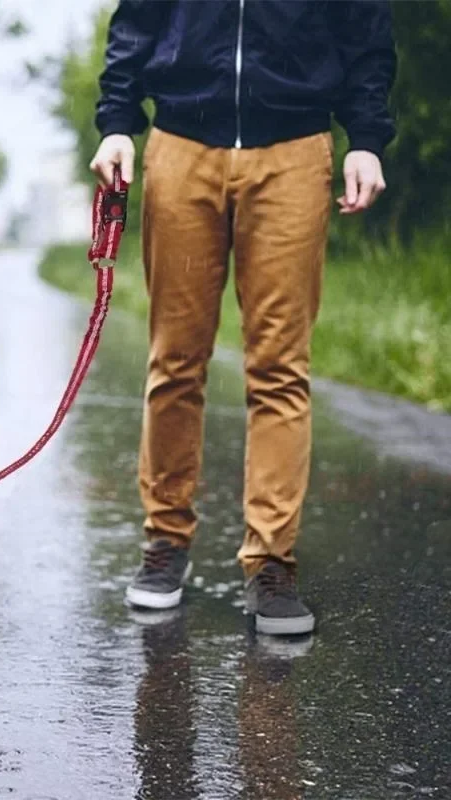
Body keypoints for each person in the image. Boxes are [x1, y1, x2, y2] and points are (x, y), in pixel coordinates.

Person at [90, 0, 396, 635]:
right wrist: (117, 121)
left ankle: (272, 562)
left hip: (294, 150)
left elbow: (365, 26)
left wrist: (366, 137)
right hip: (181, 145)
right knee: (175, 361)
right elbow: (137, 21)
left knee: (280, 367)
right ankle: (165, 542)